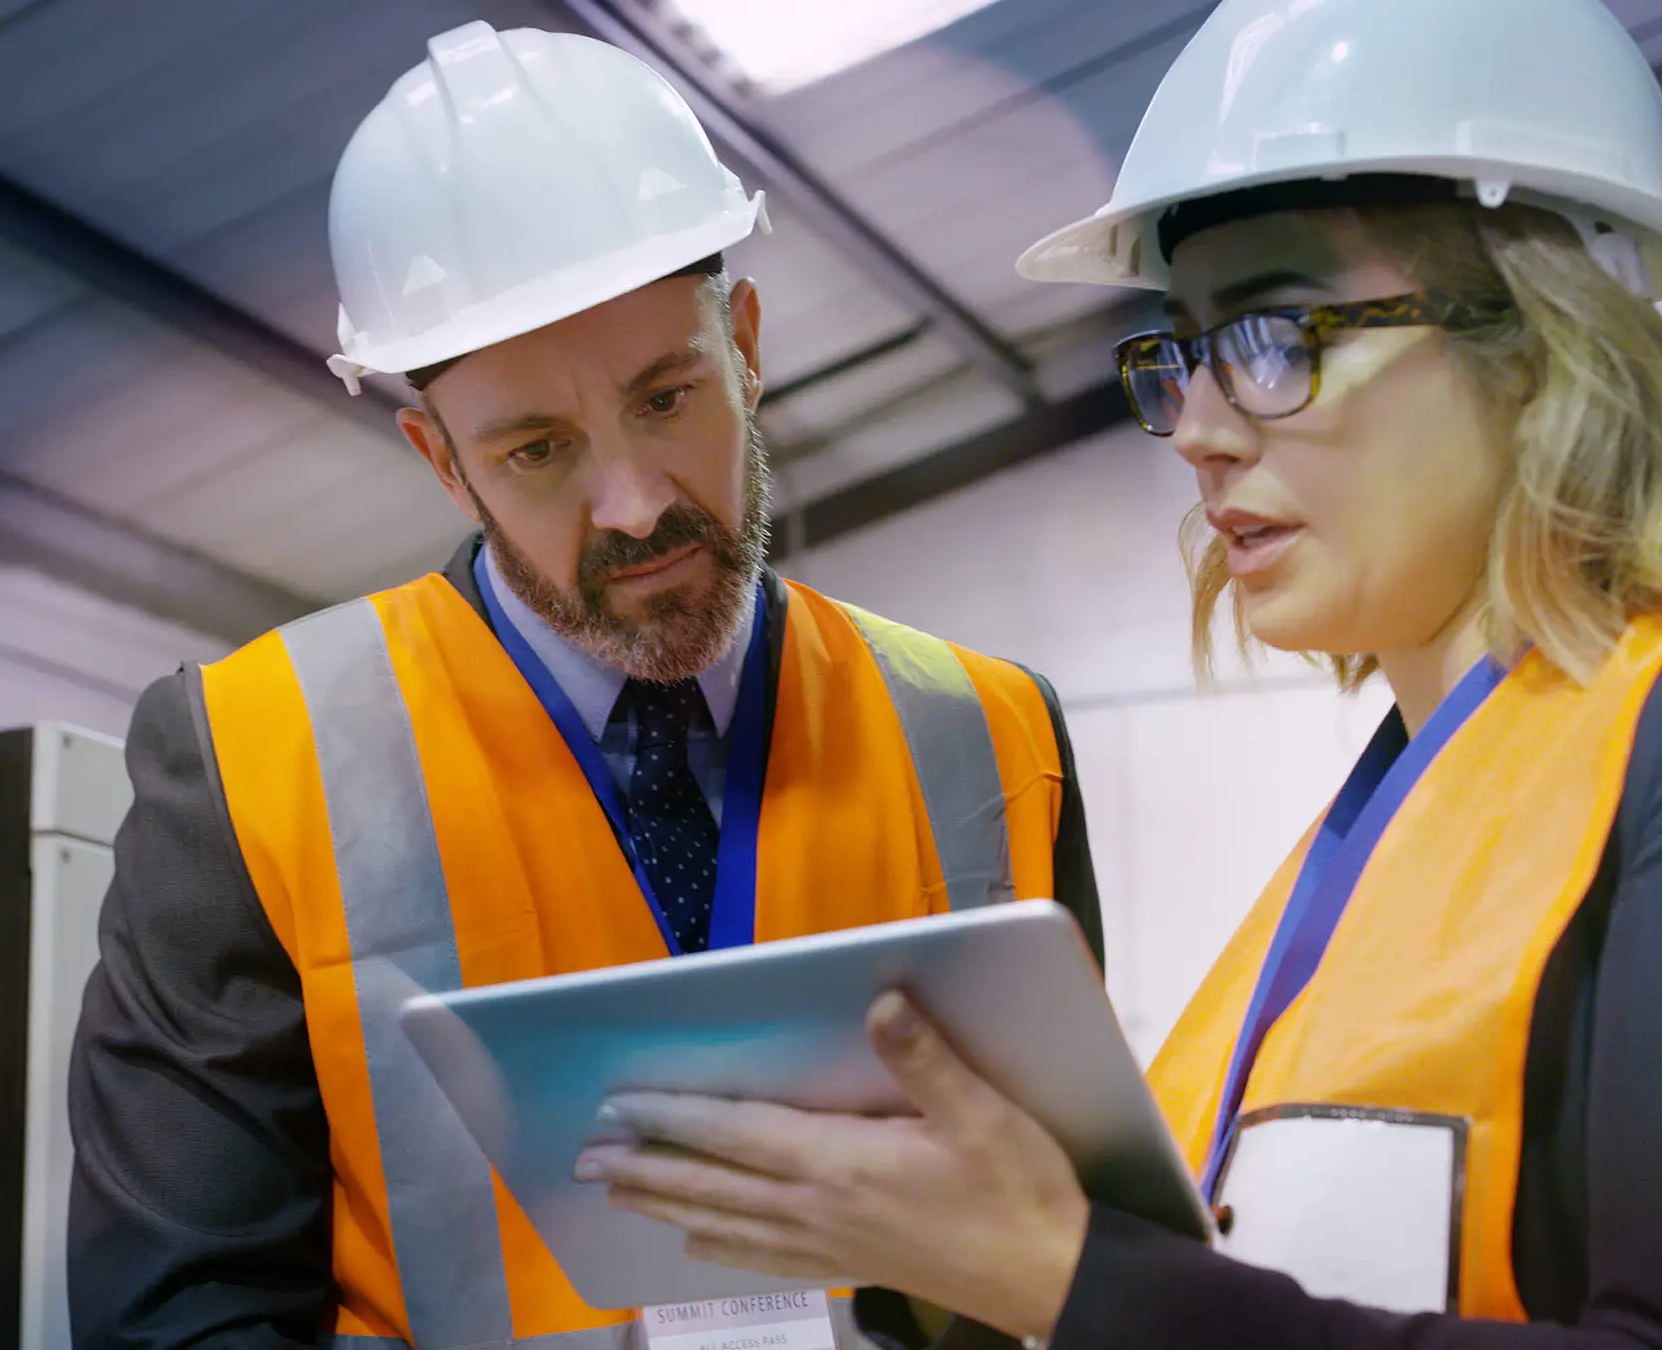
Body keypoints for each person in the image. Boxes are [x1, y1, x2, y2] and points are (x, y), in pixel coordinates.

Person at [570, 0, 1662, 1347]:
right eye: (1184, 352)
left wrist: (1061, 1269)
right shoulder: (1383, 828)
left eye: (1275, 336)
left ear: (1554, 329)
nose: (1195, 432)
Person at [65, 19, 1103, 1350]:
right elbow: (181, 1321)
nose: (634, 506)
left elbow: (1084, 1250)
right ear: (441, 460)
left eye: (668, 400)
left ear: (745, 341)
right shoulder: (247, 761)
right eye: (540, 450)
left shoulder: (992, 732)